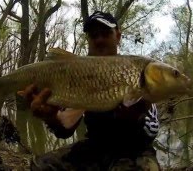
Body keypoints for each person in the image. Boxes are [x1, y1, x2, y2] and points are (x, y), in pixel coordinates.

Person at [19, 11, 161, 170]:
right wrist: (51, 117)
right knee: (41, 166)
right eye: (93, 35)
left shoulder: (134, 70)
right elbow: (65, 128)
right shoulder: (79, 73)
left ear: (118, 36)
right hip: (94, 147)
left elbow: (152, 130)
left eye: (106, 33)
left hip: (134, 151)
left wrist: (136, 118)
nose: (99, 40)